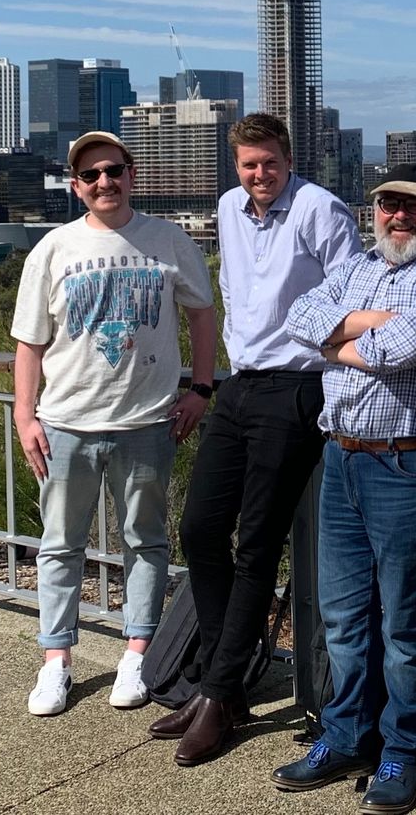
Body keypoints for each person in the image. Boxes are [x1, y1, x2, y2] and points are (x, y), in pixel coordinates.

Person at [149, 113, 361, 766]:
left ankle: (218, 696)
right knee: (199, 529)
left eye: (269, 161)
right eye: (248, 164)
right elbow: (232, 290)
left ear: (287, 159)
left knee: (258, 542)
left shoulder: (320, 209)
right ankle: (226, 681)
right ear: (236, 165)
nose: (259, 173)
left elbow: (350, 291)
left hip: (296, 387)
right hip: (240, 383)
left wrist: (320, 354)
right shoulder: (227, 209)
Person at [272, 162, 416, 815]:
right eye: (388, 204)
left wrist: (336, 341)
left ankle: (403, 750)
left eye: (413, 206)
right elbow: (298, 316)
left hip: (414, 466)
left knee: (408, 624)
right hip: (343, 459)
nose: (399, 216)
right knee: (344, 614)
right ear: (374, 210)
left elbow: (399, 352)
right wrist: (372, 320)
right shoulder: (357, 266)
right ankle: (346, 734)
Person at [12, 130, 217, 717]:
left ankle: (137, 654)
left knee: (145, 540)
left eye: (114, 170)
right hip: (65, 423)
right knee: (60, 545)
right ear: (76, 186)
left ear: (131, 176)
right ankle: (56, 660)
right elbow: (29, 342)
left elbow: (202, 315)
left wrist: (201, 388)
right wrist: (25, 414)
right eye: (92, 174)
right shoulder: (53, 248)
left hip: (147, 423)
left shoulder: (168, 239)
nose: (105, 181)